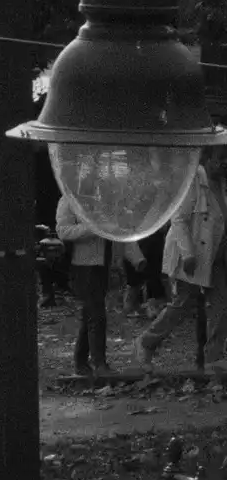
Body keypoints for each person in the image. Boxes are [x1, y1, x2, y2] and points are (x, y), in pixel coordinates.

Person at [135, 146, 227, 370]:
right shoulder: (193, 181)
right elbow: (178, 220)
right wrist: (188, 254)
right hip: (192, 253)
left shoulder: (223, 184)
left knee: (221, 305)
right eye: (220, 158)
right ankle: (146, 342)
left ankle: (214, 357)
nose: (224, 163)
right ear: (207, 158)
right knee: (183, 304)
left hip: (218, 254)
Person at [53, 194, 144, 374]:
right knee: (96, 315)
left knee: (91, 314)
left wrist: (137, 258)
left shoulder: (106, 200)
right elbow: (63, 230)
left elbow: (121, 230)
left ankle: (81, 362)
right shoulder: (70, 199)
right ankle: (99, 363)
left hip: (103, 264)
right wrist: (93, 228)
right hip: (82, 266)